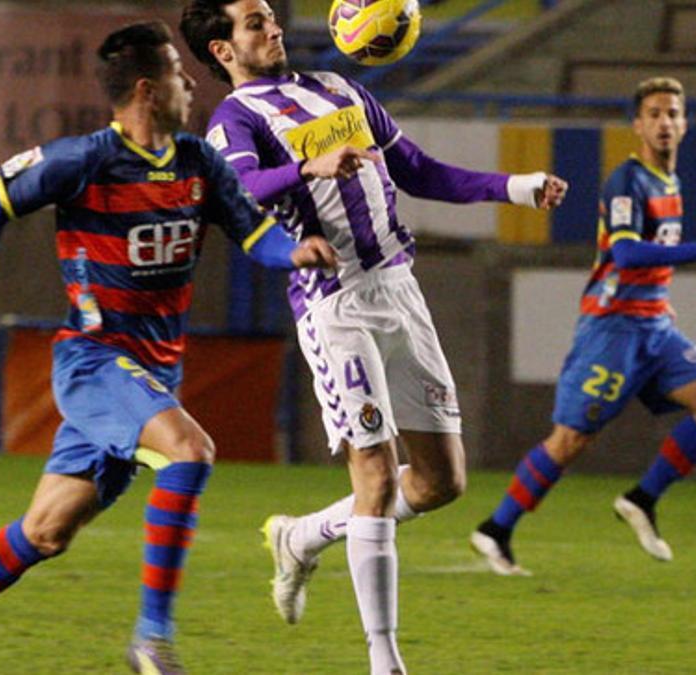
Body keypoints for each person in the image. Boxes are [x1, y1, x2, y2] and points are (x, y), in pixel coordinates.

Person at [0, 21, 335, 675]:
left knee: (46, 531)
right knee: (191, 450)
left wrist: (297, 253)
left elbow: (255, 234)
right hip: (94, 362)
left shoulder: (199, 163)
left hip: (152, 374)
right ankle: (152, 637)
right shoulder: (82, 159)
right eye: (179, 73)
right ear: (149, 90)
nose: (190, 84)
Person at [179, 3, 566, 673]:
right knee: (377, 475)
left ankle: (302, 535)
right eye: (253, 23)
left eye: (270, 16)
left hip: (400, 290)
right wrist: (309, 166)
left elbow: (416, 168)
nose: (272, 28)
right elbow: (232, 188)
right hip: (336, 304)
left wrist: (517, 187)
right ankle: (384, 659)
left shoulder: (339, 88)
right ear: (222, 49)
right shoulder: (235, 120)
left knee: (443, 480)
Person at [469, 77, 696, 576]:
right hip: (613, 328)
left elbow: (649, 264)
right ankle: (496, 529)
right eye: (655, 113)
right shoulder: (627, 180)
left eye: (673, 113)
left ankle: (642, 499)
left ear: (685, 124)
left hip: (655, 326)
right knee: (570, 441)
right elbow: (624, 254)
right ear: (637, 124)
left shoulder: (671, 182)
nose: (665, 122)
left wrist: (661, 300)